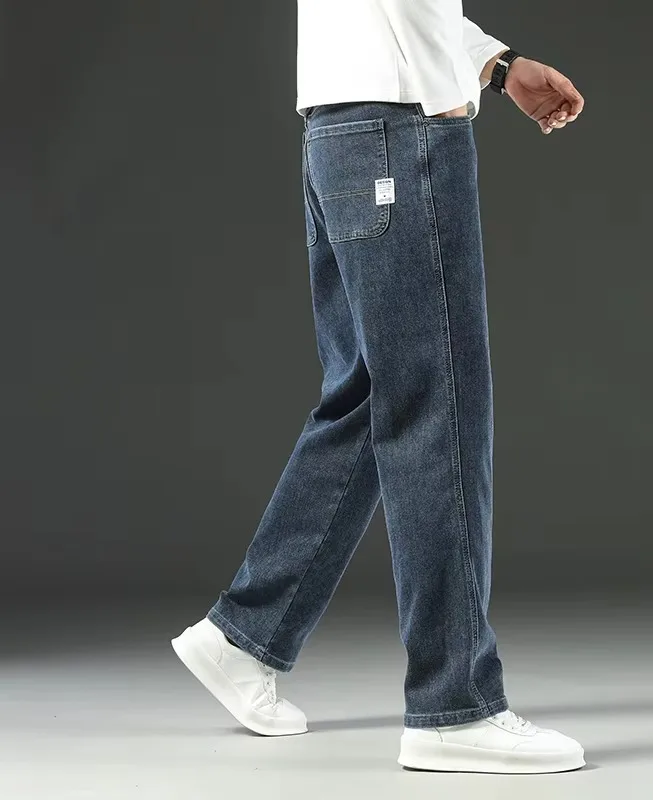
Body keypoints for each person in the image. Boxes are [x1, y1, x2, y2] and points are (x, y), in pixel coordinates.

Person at [171, 0, 585, 774]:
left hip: (345, 127)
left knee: (376, 395)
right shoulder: (416, 103)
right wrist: (443, 94)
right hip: (400, 124)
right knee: (439, 403)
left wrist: (495, 66)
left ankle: (245, 637)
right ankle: (454, 706)